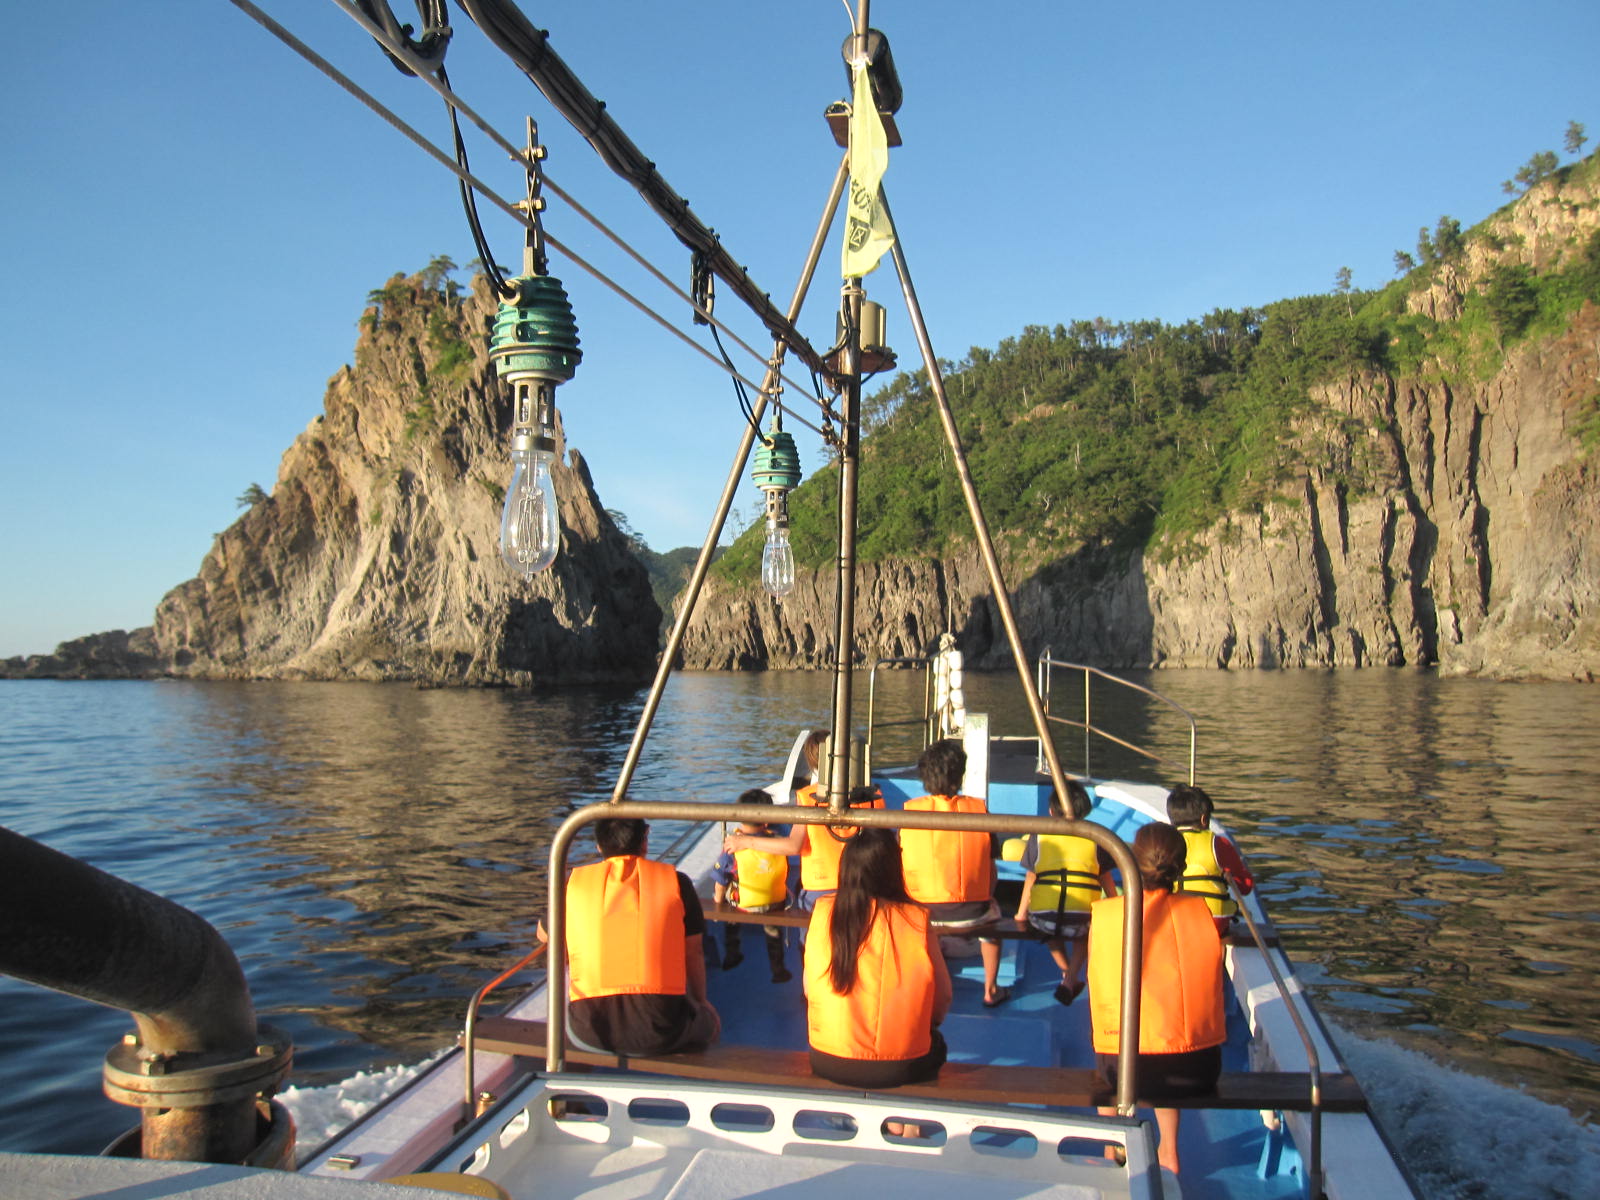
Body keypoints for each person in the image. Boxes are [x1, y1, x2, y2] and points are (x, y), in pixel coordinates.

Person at [1089, 822, 1225, 1178]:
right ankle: (1169, 1149)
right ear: (1180, 868)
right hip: (1196, 1070)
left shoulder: (1105, 915)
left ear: (1131, 861)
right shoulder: (1200, 912)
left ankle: (1112, 1143)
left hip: (1121, 1072)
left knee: (1113, 1045)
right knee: (1168, 1035)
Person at [536, 817, 720, 1057]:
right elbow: (693, 951)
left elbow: (543, 935)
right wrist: (701, 1002)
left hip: (589, 1033)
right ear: (644, 841)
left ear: (599, 846)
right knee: (708, 1024)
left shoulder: (574, 885)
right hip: (662, 1034)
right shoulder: (677, 883)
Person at [804, 827, 952, 1088]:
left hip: (827, 1058)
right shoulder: (916, 919)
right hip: (901, 1065)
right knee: (936, 1043)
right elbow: (943, 997)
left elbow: (808, 989)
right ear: (893, 868)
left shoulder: (823, 912)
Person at [724, 731, 884, 911]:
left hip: (821, 888)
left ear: (813, 761)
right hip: (867, 885)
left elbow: (794, 846)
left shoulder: (807, 797)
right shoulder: (874, 796)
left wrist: (745, 841)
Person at [899, 739, 1007, 1006]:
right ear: (960, 775)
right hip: (972, 913)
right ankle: (991, 989)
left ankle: (916, 984)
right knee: (993, 920)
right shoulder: (979, 811)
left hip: (921, 913)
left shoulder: (908, 813)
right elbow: (991, 864)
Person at [1010, 779, 1116, 1006]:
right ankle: (1070, 977)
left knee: (1049, 931)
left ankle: (1067, 972)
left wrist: (1020, 914)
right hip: (1082, 919)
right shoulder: (1096, 837)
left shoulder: (1039, 836)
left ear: (1051, 810)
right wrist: (1117, 907)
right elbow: (1106, 879)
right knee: (1085, 935)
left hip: (1043, 919)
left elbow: (1031, 877)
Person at [710, 788, 793, 983]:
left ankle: (733, 953)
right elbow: (785, 834)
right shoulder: (778, 841)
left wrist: (718, 902)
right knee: (773, 932)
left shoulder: (733, 846)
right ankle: (778, 969)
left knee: (730, 918)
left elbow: (720, 880)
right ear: (767, 820)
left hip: (743, 906)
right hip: (775, 903)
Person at [1165, 783, 1254, 935]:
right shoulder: (1218, 843)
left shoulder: (1164, 842)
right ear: (1204, 819)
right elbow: (1245, 887)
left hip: (1174, 919)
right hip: (1214, 921)